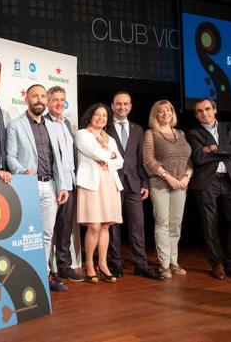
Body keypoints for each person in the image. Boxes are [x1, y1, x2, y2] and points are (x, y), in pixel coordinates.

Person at [6, 84, 70, 291]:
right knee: (25, 235)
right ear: (27, 99)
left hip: (50, 186)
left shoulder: (53, 126)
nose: (40, 100)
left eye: (43, 96)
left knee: (47, 235)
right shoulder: (16, 125)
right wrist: (22, 171)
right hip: (27, 186)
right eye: (35, 96)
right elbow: (10, 157)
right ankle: (26, 277)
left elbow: (57, 160)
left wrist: (62, 186)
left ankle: (43, 275)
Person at [186, 99, 231, 281]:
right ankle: (217, 263)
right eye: (200, 111)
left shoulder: (230, 127)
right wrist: (229, 152)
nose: (204, 113)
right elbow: (199, 158)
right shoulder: (194, 133)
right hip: (208, 182)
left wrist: (215, 148)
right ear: (196, 115)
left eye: (208, 109)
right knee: (210, 223)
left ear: (215, 110)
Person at [106, 91, 163, 280]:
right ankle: (116, 264)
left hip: (134, 184)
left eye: (126, 104)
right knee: (113, 225)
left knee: (137, 225)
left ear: (130, 106)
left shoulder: (138, 129)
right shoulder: (104, 127)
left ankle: (141, 264)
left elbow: (141, 160)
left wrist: (145, 182)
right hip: (111, 183)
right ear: (112, 106)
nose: (122, 107)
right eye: (118, 104)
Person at [143, 100, 192, 279]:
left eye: (168, 110)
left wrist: (186, 177)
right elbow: (148, 160)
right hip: (160, 184)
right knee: (162, 223)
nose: (165, 114)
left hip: (181, 185)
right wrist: (169, 178)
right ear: (155, 115)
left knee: (176, 224)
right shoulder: (151, 134)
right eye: (160, 111)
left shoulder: (181, 133)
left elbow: (189, 160)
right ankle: (164, 265)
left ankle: (174, 262)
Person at [75, 104, 124, 283]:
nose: (101, 118)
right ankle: (89, 264)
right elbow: (94, 152)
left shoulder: (109, 138)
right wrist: (109, 155)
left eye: (105, 115)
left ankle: (103, 264)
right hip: (92, 183)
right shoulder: (83, 134)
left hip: (109, 182)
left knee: (105, 225)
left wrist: (109, 157)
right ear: (90, 115)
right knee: (94, 225)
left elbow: (120, 161)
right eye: (98, 114)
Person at [45, 86, 83, 282]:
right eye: (55, 100)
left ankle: (64, 266)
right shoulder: (43, 123)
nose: (59, 103)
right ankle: (48, 269)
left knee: (65, 228)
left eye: (62, 99)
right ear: (48, 102)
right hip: (51, 185)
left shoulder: (67, 123)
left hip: (69, 184)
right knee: (47, 229)